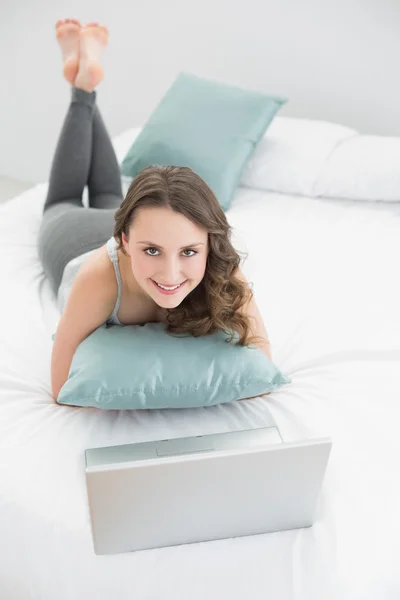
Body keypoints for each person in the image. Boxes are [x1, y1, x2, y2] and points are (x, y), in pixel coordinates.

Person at [38, 19, 272, 402]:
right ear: (125, 241)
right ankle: (81, 87)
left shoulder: (222, 270)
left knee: (110, 193)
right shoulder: (98, 280)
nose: (170, 273)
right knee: (60, 200)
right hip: (74, 236)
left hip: (143, 222)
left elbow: (262, 362)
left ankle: (86, 84)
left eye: (189, 252)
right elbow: (61, 386)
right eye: (152, 253)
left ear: (209, 245)